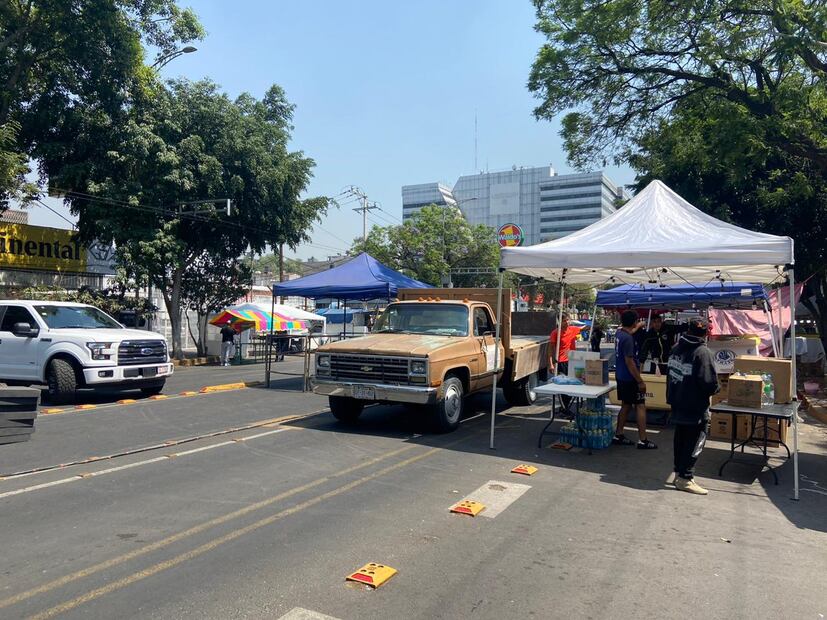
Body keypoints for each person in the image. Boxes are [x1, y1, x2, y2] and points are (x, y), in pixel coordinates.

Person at [666, 318, 720, 495]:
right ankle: (685, 478)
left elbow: (670, 376)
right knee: (696, 441)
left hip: (677, 403)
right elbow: (709, 383)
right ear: (706, 333)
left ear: (688, 330)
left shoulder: (675, 349)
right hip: (695, 407)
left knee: (681, 440)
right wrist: (717, 388)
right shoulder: (703, 353)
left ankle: (679, 473)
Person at [613, 310, 657, 449]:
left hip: (621, 376)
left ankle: (618, 434)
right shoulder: (628, 339)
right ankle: (643, 439)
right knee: (640, 405)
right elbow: (629, 362)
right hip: (630, 378)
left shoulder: (619, 334)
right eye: (637, 321)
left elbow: (629, 331)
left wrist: (638, 326)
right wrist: (640, 381)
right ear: (633, 322)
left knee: (626, 405)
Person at [549, 312, 583, 411]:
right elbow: (550, 350)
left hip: (572, 361)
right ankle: (564, 408)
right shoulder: (555, 333)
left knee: (573, 384)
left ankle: (565, 407)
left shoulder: (573, 329)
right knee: (564, 386)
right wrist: (551, 364)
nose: (567, 322)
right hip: (561, 362)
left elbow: (584, 328)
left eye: (568, 320)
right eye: (564, 321)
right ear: (559, 322)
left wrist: (596, 325)